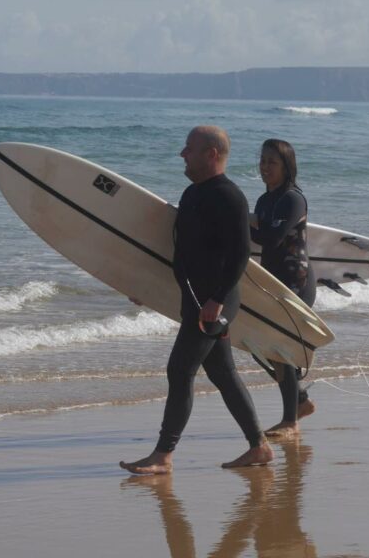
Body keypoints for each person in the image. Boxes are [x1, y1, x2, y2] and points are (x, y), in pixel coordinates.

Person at [120, 125, 274, 474]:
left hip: (215, 301)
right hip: (196, 298)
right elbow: (181, 253)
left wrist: (217, 301)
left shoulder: (229, 196)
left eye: (189, 148)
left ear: (211, 154)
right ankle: (259, 446)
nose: (182, 154)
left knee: (180, 369)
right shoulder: (193, 195)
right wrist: (148, 286)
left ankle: (163, 455)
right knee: (222, 372)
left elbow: (239, 254)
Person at [250, 139, 316, 438]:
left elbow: (272, 238)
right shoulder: (264, 201)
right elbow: (258, 236)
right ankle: (299, 401)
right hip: (272, 279)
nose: (265, 167)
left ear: (286, 166)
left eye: (271, 162)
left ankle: (291, 421)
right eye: (262, 161)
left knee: (279, 349)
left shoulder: (293, 199)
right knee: (258, 348)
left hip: (296, 282)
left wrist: (237, 221)